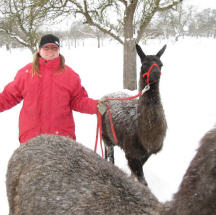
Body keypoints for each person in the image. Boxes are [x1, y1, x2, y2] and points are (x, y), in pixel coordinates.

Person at [0, 34, 100, 144]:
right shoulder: (26, 73)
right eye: (46, 47)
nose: (50, 51)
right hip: (32, 138)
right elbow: (8, 97)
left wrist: (98, 106)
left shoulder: (70, 75)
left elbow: (78, 101)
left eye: (54, 48)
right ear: (39, 50)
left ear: (59, 50)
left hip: (62, 139)